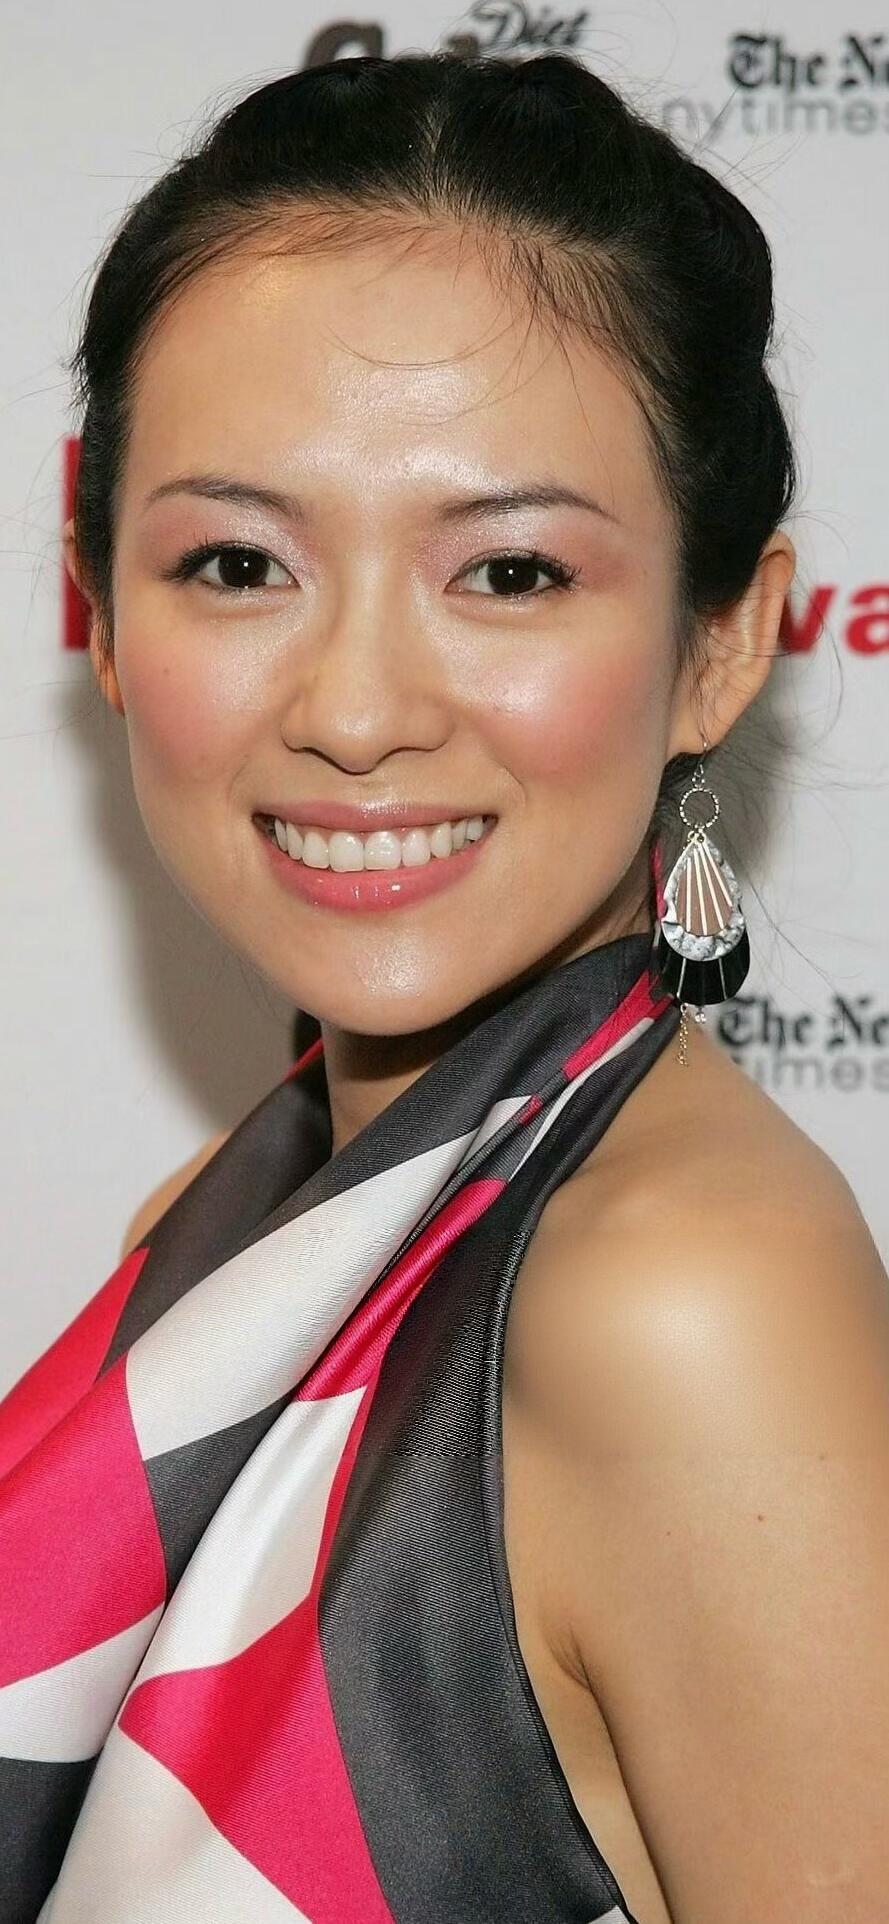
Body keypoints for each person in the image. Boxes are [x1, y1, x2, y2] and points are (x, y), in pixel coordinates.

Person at [2, 49, 888, 1924]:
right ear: (100, 609)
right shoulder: (245, 1218)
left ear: (723, 643)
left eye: (507, 574)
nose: (353, 710)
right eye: (237, 561)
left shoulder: (681, 1303)